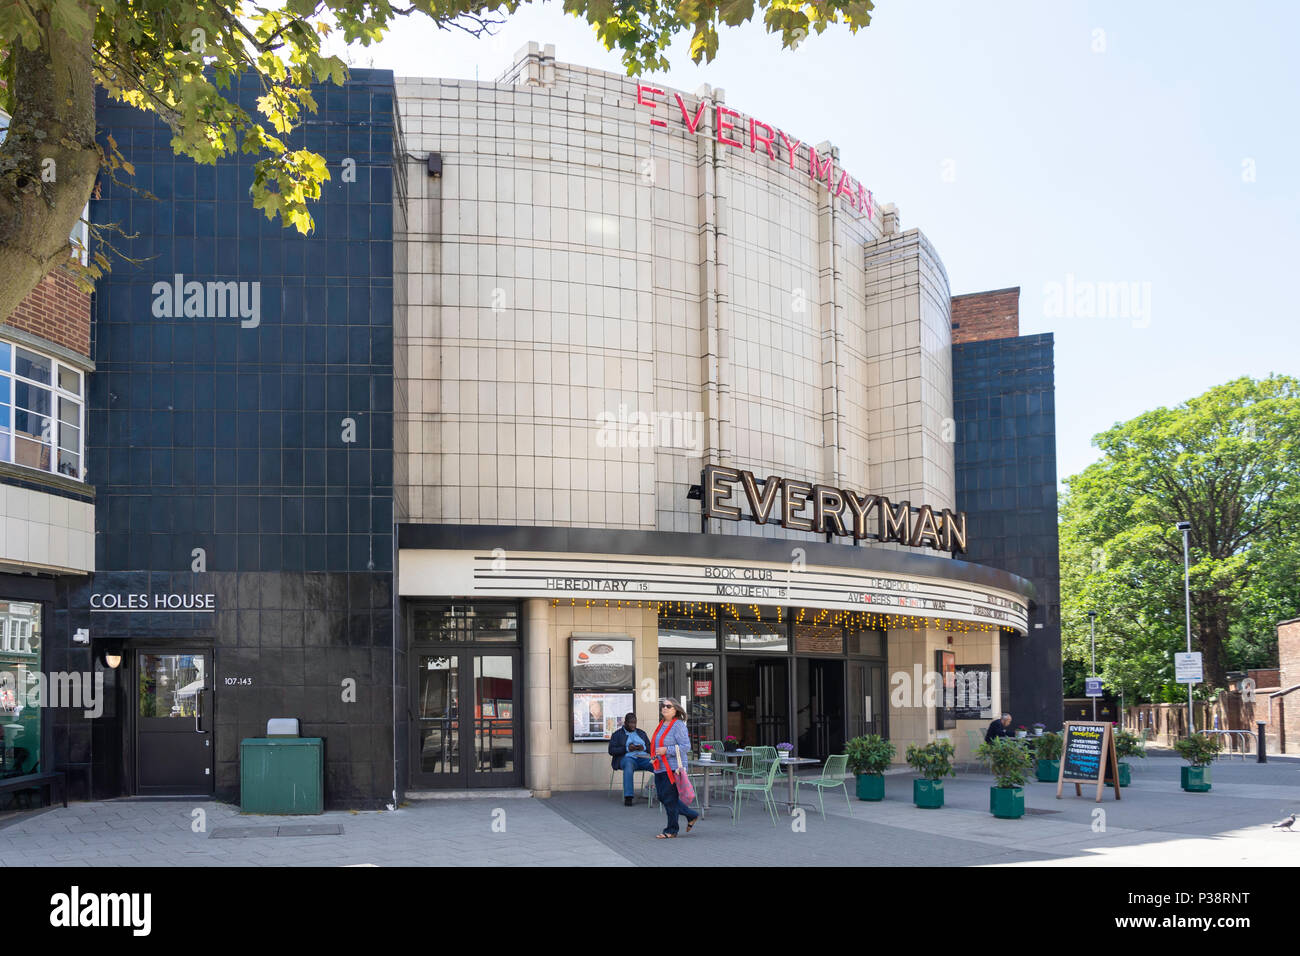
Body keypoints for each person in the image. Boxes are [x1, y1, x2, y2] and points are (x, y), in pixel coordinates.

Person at [650, 698, 699, 839]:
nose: (664, 708)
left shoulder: (678, 725)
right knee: (662, 797)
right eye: (663, 705)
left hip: (673, 768)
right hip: (660, 766)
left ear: (675, 709)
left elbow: (686, 746)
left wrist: (667, 750)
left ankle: (671, 830)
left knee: (670, 798)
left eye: (668, 706)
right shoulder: (661, 724)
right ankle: (691, 815)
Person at [608, 712, 653, 806]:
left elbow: (650, 747)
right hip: (627, 758)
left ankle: (661, 793)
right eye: (631, 723)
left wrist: (643, 748)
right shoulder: (617, 734)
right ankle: (628, 796)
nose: (633, 725)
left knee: (658, 765)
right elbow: (611, 750)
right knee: (628, 766)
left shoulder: (641, 733)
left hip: (643, 758)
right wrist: (627, 749)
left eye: (635, 723)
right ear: (625, 723)